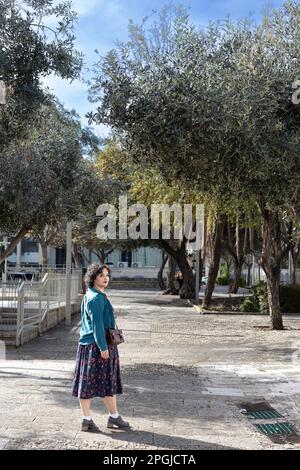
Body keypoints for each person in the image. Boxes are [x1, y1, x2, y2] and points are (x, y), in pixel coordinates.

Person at [72, 263, 131, 432]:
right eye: (101, 275)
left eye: (107, 275)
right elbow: (97, 325)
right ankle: (102, 418)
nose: (105, 278)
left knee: (93, 383)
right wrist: (103, 348)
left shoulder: (90, 295)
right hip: (98, 346)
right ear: (93, 278)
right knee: (102, 382)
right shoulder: (97, 298)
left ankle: (100, 418)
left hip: (88, 345)